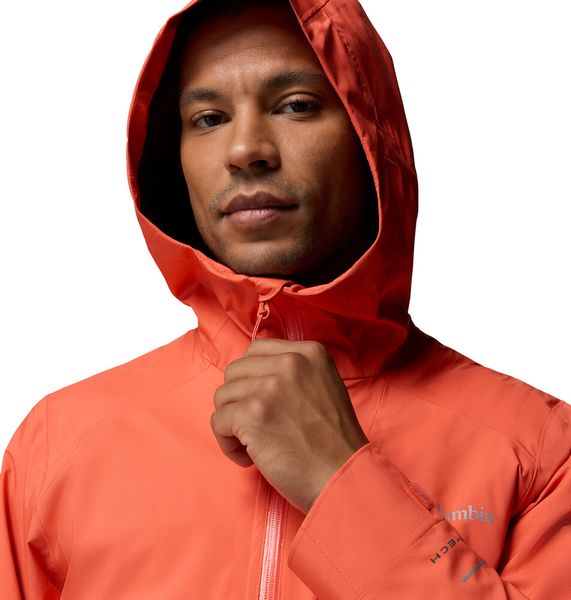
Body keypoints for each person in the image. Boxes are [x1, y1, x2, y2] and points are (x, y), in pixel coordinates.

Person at [1, 0, 569, 598]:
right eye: (208, 118)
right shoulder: (59, 443)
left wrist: (340, 478)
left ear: (370, 136)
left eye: (295, 105)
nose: (245, 149)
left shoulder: (537, 449)